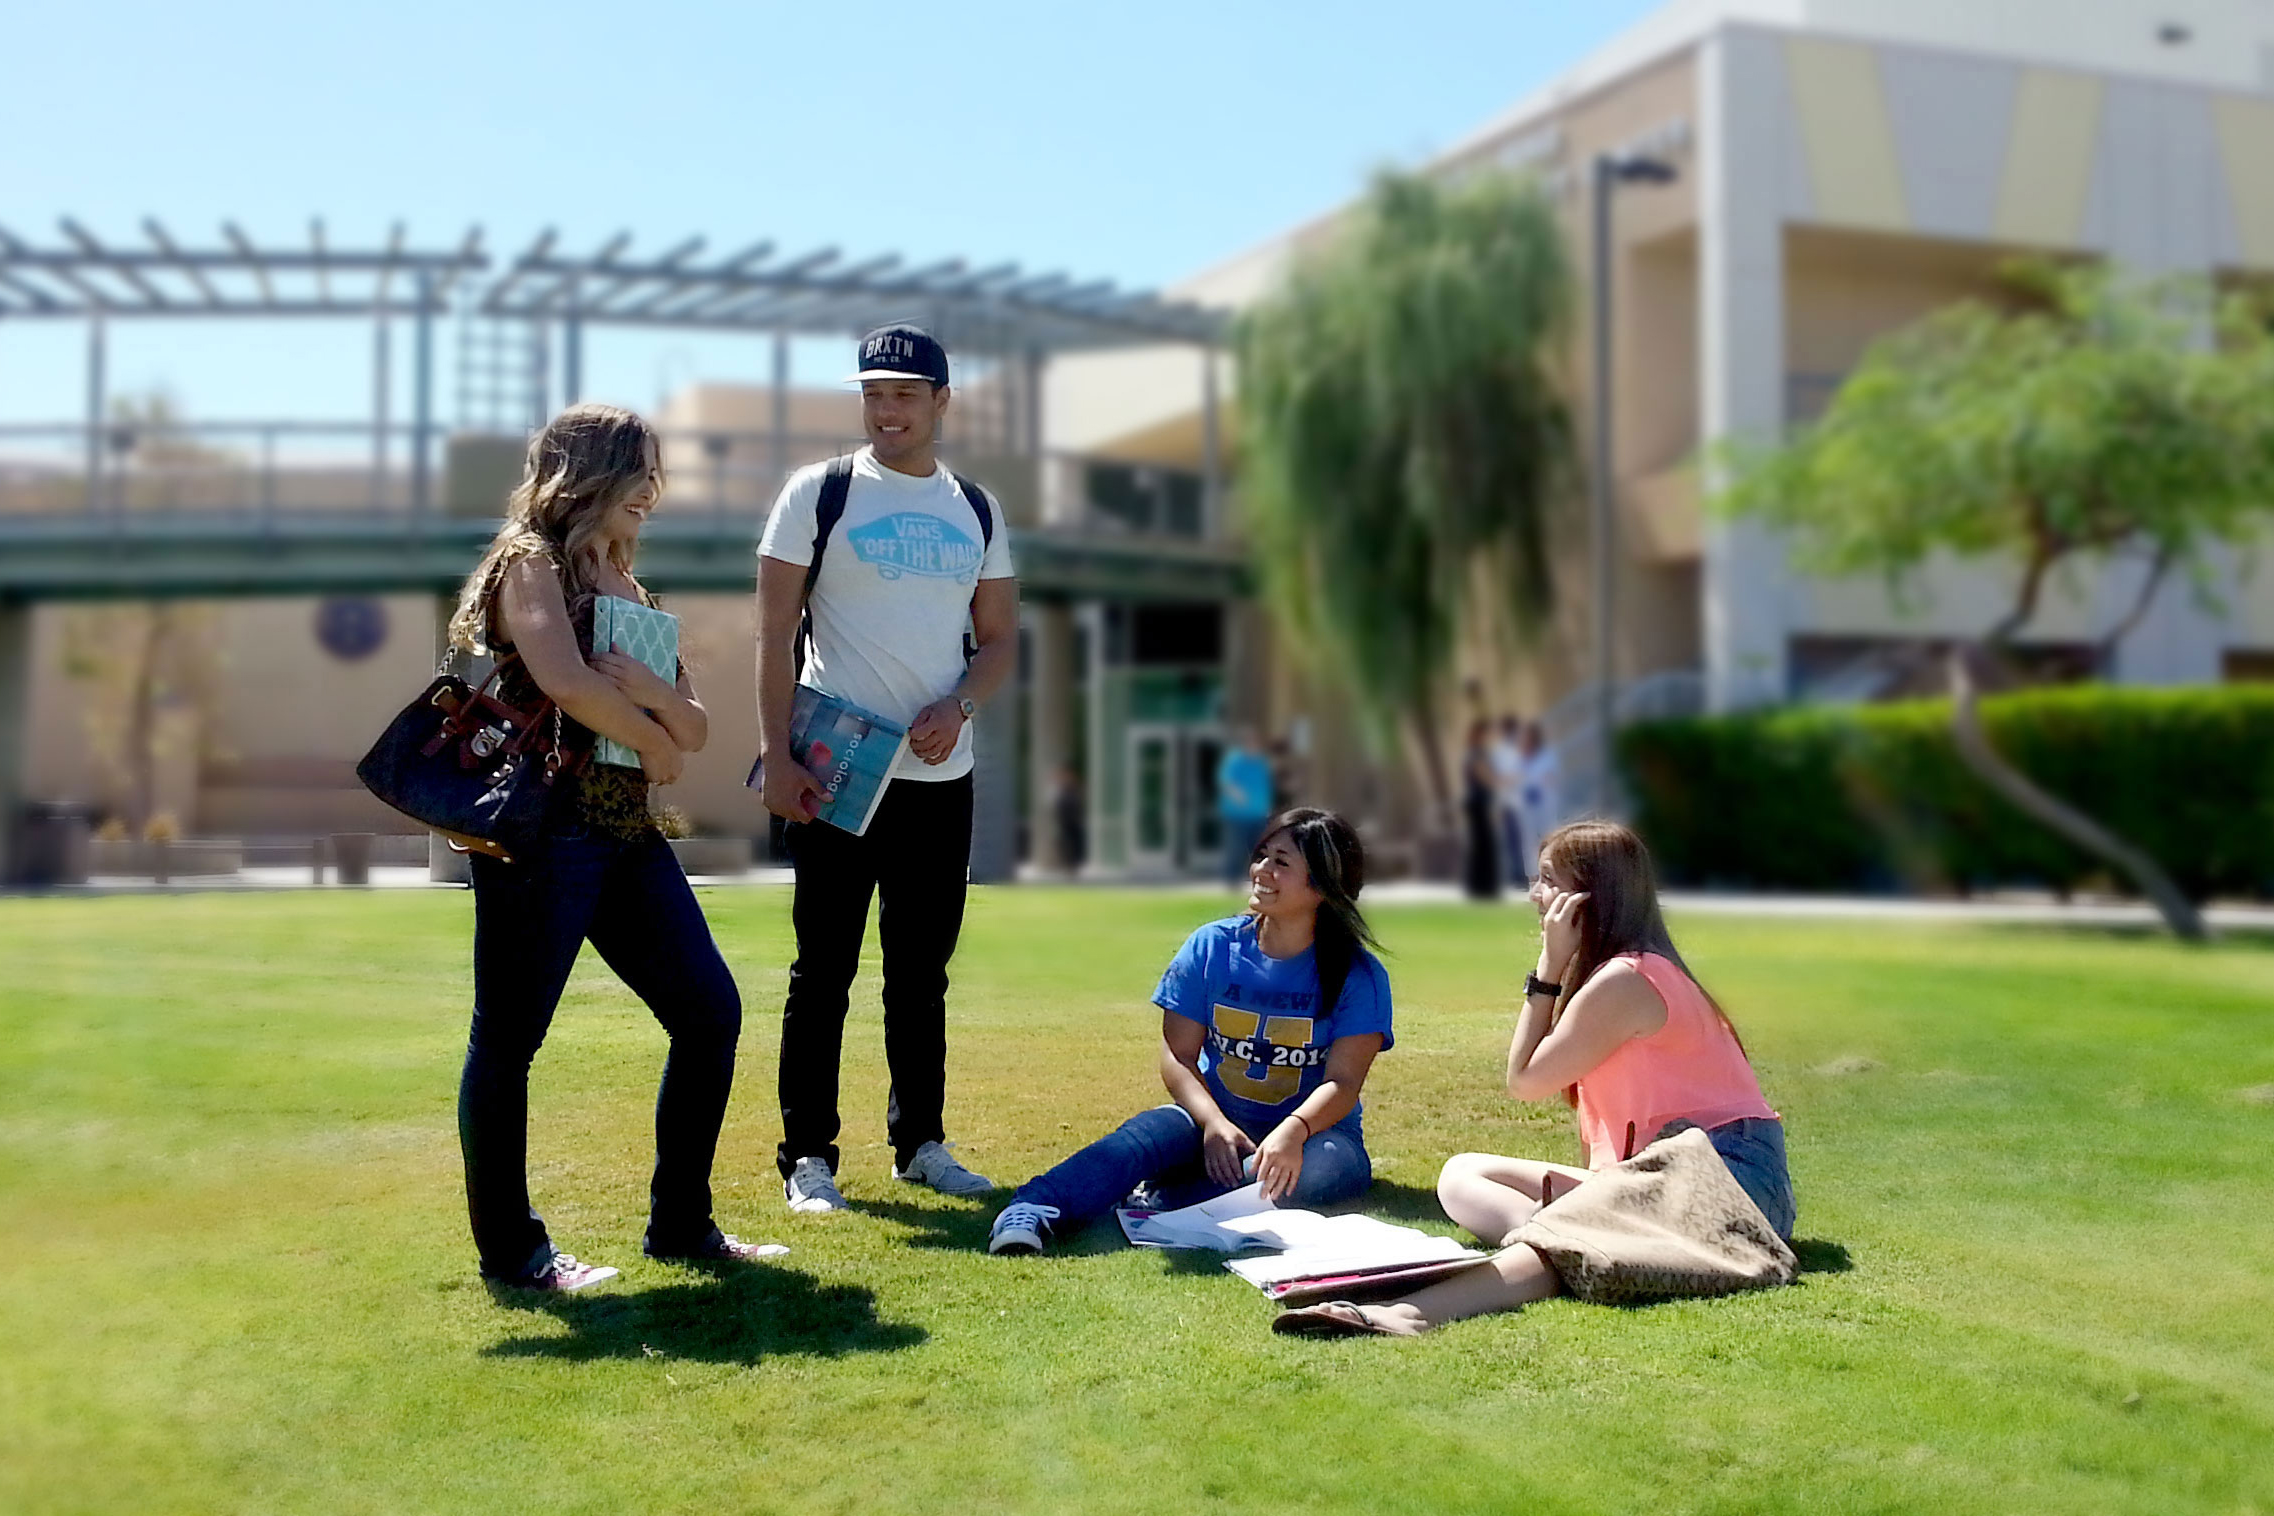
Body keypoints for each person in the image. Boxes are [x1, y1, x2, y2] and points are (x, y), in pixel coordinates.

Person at [445, 403, 773, 1292]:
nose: (653, 497)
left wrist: (657, 711)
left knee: (709, 1014)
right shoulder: (529, 565)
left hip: (623, 834)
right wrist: (654, 733)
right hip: (540, 835)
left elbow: (698, 727)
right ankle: (514, 1257)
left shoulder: (632, 589)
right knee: (509, 1041)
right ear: (590, 475)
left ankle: (681, 1226)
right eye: (641, 475)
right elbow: (562, 682)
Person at [1271, 819, 1793, 1336]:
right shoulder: (1627, 971)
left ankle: (1414, 1313)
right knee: (1461, 1177)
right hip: (1664, 1175)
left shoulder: (1627, 979)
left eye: (1547, 881)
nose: (1535, 896)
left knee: (1546, 1214)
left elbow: (1525, 1080)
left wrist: (1546, 969)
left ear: (1589, 898)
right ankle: (1565, 1247)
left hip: (1726, 1179)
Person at [755, 323, 1019, 1214]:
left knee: (920, 973)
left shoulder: (976, 510)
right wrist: (781, 754)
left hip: (941, 782)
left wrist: (961, 705)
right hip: (838, 776)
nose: (886, 409)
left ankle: (922, 1143)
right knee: (821, 971)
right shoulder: (818, 493)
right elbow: (769, 643)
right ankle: (807, 1157)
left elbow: (1001, 642)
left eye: (905, 394)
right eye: (873, 393)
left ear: (942, 401)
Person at [987, 808, 1392, 1255]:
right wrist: (1213, 1124)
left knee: (1324, 1170)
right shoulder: (1213, 945)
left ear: (1322, 886)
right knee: (1143, 1138)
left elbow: (1344, 1082)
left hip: (1315, 1137)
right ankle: (1032, 1207)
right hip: (1207, 1120)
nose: (1261, 870)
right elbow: (1178, 1056)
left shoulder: (1358, 975)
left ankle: (1162, 1202)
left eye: (1281, 862)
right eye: (1261, 856)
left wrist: (1293, 1132)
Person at [1215, 729, 1276, 883]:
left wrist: (1267, 806)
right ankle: (1232, 878)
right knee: (1236, 847)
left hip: (1259, 814)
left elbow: (1265, 785)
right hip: (1237, 814)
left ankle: (1253, 876)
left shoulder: (1261, 761)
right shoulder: (1235, 760)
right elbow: (1225, 781)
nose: (1254, 746)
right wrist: (1237, 795)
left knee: (1257, 847)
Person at [1460, 718, 1501, 899]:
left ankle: (1482, 885)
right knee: (1484, 843)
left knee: (1482, 843)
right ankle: (1482, 886)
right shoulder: (1477, 754)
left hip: (1477, 802)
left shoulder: (1475, 753)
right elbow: (1486, 777)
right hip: (1479, 803)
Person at [1491, 715, 1528, 886]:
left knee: (1523, 840)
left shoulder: (1521, 748)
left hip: (1522, 802)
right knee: (1512, 841)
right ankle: (1517, 876)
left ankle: (1523, 875)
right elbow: (1498, 779)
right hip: (1509, 803)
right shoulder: (1500, 751)